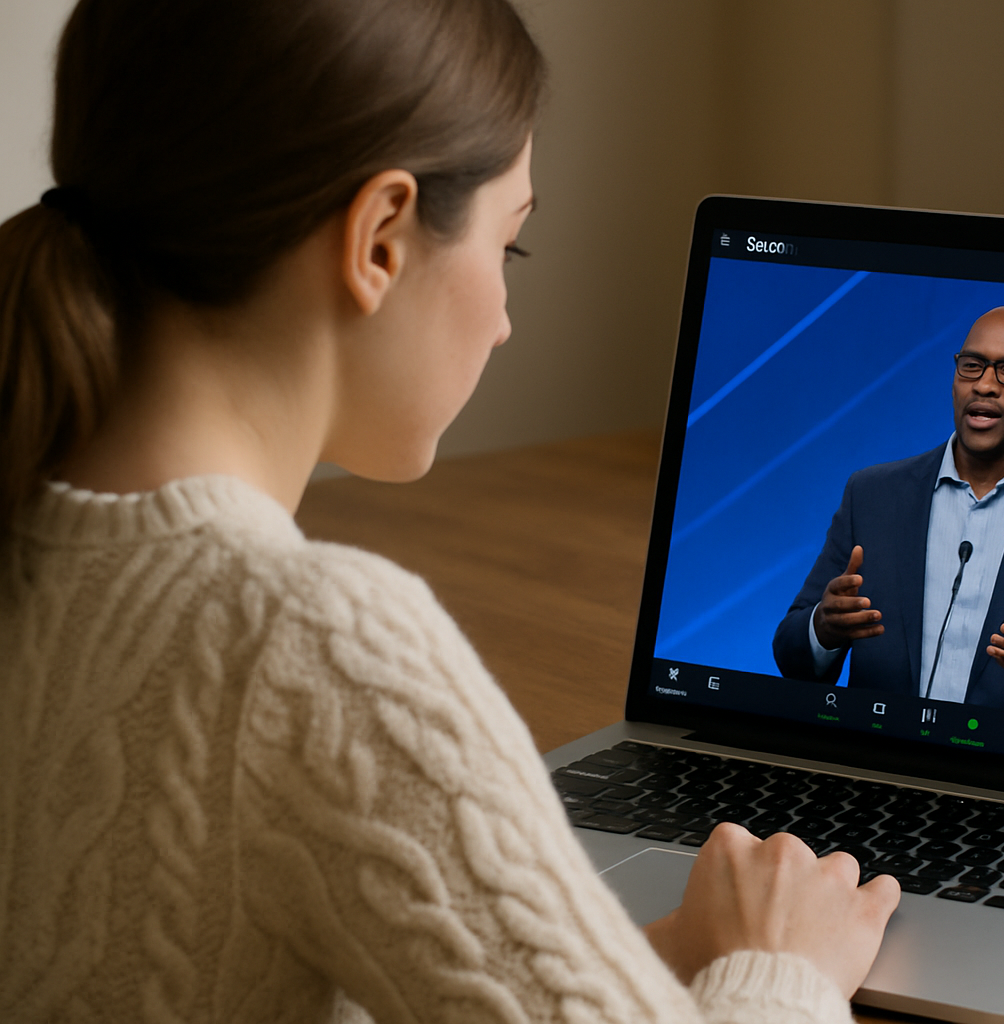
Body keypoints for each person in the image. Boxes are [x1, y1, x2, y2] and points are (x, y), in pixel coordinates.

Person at [0, 2, 898, 1022]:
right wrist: (783, 967)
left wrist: (649, 960)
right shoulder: (316, 641)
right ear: (379, 238)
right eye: (510, 245)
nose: (505, 322)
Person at [772, 306, 1004, 726]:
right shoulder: (873, 495)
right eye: (971, 366)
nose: (984, 385)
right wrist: (823, 627)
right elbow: (790, 652)